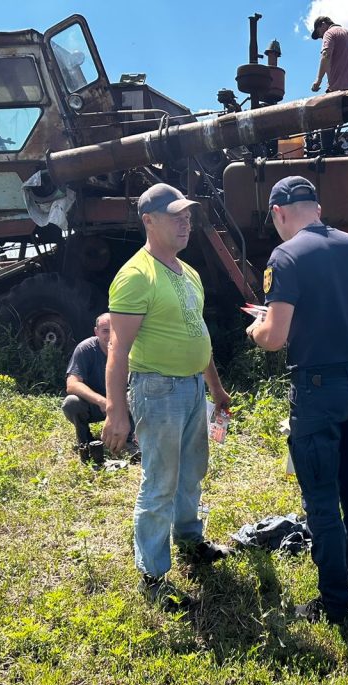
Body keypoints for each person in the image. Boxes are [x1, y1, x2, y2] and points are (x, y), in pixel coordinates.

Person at [247, 176, 348, 627]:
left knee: (321, 499)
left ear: (279, 213)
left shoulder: (285, 256)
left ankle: (335, 603)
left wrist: (256, 328)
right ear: (318, 208)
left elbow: (275, 338)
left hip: (318, 389)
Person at [102, 183, 232, 608]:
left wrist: (214, 386)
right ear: (149, 221)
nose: (185, 222)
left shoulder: (187, 271)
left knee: (192, 470)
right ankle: (153, 575)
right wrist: (116, 411)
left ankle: (190, 541)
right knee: (160, 481)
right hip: (157, 389)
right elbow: (118, 348)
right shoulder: (136, 275)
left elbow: (200, 334)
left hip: (193, 387)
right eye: (176, 215)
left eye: (189, 215)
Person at [310, 16, 348, 158]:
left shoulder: (330, 34)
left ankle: (326, 159)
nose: (320, 37)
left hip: (338, 91)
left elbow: (326, 54)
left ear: (323, 24)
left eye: (318, 33)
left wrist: (318, 80)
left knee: (325, 121)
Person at [62, 313, 112, 447]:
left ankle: (131, 439)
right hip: (95, 405)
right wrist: (102, 401)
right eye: (105, 331)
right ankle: (85, 442)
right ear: (96, 332)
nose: (111, 336)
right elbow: (72, 384)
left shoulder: (128, 348)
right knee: (71, 403)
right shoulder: (85, 349)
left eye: (114, 330)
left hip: (122, 403)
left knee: (137, 397)